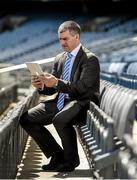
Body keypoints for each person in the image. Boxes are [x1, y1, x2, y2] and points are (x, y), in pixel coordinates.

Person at [20, 20, 100, 172]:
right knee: (26, 119)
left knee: (60, 119)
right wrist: (41, 85)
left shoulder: (90, 59)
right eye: (60, 39)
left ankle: (71, 160)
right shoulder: (59, 58)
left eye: (66, 39)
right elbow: (52, 89)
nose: (62, 43)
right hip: (62, 102)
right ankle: (57, 155)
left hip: (82, 102)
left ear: (76, 37)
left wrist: (56, 82)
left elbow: (82, 88)